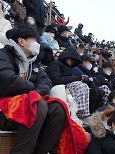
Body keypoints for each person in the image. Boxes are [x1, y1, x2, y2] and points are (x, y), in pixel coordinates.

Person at [0, 25, 66, 154]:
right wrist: (32, 90)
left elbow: (46, 82)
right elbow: (6, 79)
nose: (37, 44)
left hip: (23, 105)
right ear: (21, 41)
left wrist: (34, 93)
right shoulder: (3, 55)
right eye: (35, 41)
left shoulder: (33, 63)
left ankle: (42, 151)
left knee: (58, 109)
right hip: (3, 110)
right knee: (36, 104)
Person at [46, 46, 90, 118]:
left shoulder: (69, 69)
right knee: (79, 86)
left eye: (74, 60)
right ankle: (73, 113)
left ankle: (81, 114)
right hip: (55, 88)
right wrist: (76, 78)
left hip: (64, 89)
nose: (72, 61)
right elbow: (56, 80)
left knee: (84, 86)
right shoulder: (55, 64)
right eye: (71, 59)